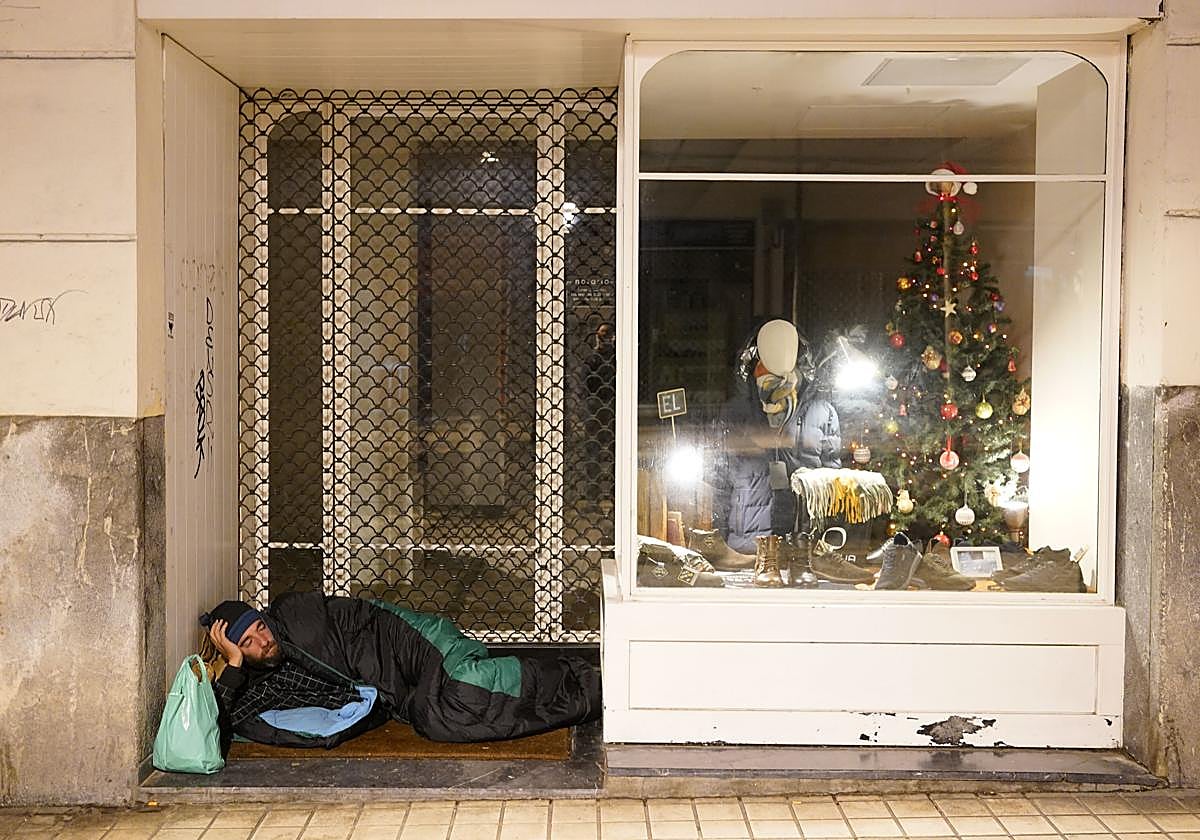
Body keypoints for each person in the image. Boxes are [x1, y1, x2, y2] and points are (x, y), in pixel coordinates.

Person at [201, 592, 600, 749]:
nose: (263, 640)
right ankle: (582, 693)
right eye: (248, 642)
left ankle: (587, 679)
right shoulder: (256, 684)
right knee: (441, 721)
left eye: (260, 629)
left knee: (468, 687)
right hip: (394, 687)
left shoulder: (293, 618)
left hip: (407, 639)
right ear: (234, 648)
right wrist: (233, 667)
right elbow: (214, 736)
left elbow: (354, 629)